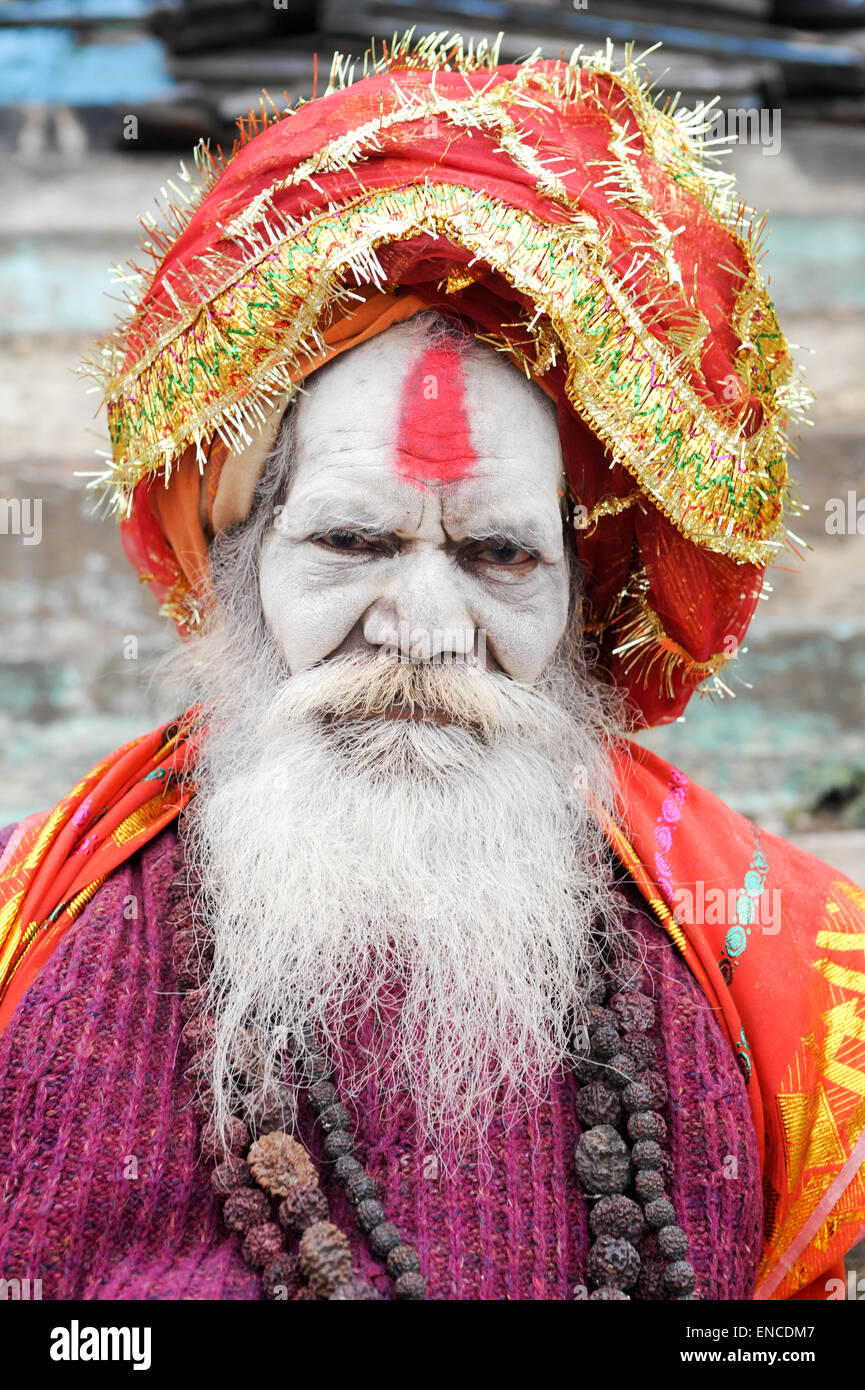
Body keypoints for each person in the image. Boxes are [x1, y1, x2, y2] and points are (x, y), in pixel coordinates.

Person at [1, 35, 863, 1302]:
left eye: (499, 554)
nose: (424, 627)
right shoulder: (36, 946)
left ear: (583, 606)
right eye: (351, 541)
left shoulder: (786, 979)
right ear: (237, 571)